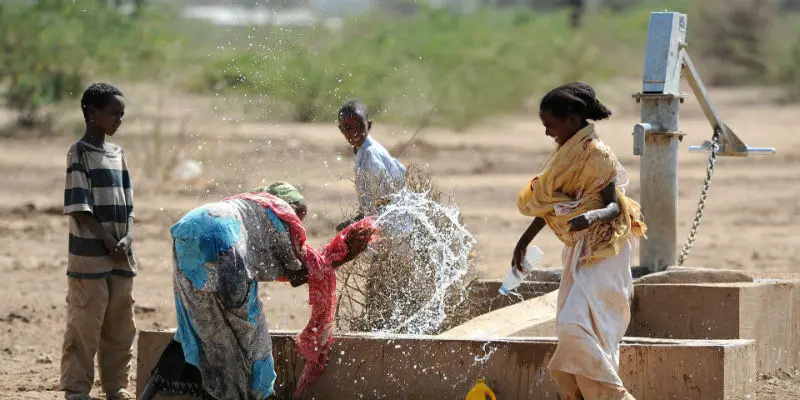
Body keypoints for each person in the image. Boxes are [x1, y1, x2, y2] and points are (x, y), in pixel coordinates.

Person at [140, 182, 376, 400]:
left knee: (196, 324)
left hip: (188, 232)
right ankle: (262, 395)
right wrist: (342, 254)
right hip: (226, 243)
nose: (299, 222)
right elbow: (301, 272)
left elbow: (291, 270)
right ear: (286, 203)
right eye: (299, 212)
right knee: (252, 333)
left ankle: (152, 390)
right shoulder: (279, 210)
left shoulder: (245, 206)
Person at [514, 82, 647, 400]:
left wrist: (591, 217)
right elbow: (551, 205)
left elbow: (613, 206)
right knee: (574, 329)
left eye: (550, 125)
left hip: (604, 251)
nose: (547, 133)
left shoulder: (598, 155)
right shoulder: (565, 153)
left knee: (580, 327)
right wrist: (523, 242)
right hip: (577, 250)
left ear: (571, 120)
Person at [61, 83, 136, 400]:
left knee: (120, 323)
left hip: (121, 255)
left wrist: (127, 237)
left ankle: (116, 385)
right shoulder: (79, 153)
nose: (119, 120)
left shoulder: (118, 154)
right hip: (91, 256)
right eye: (113, 114)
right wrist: (106, 238)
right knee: (85, 322)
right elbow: (79, 208)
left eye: (122, 114)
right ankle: (77, 388)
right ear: (92, 114)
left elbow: (129, 206)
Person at [335, 99, 406, 230]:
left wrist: (358, 222)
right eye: (348, 128)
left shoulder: (370, 155)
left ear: (369, 125)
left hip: (395, 223)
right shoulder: (361, 150)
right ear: (341, 129)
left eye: (360, 126)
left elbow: (384, 201)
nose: (355, 133)